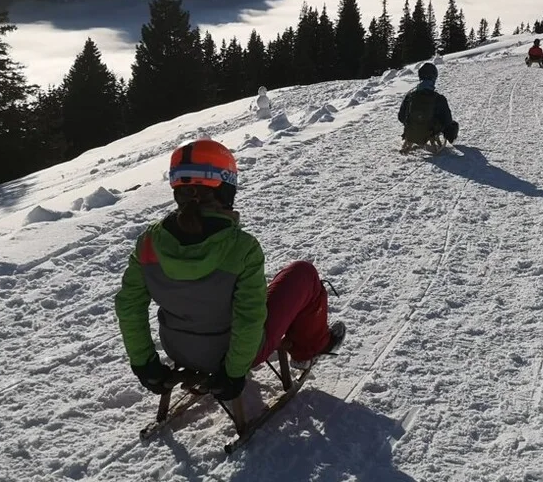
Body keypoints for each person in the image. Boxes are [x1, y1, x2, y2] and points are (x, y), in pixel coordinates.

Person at [114, 139, 345, 402]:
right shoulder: (242, 248)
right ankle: (310, 348)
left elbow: (129, 306)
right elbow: (249, 317)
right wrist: (233, 373)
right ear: (225, 189)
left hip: (178, 349)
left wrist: (144, 364)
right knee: (303, 274)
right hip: (231, 356)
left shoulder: (149, 243)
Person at [398, 62, 459, 149]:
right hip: (430, 132)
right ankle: (450, 139)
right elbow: (447, 121)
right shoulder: (439, 98)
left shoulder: (410, 96)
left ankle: (413, 135)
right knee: (453, 124)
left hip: (411, 131)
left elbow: (401, 117)